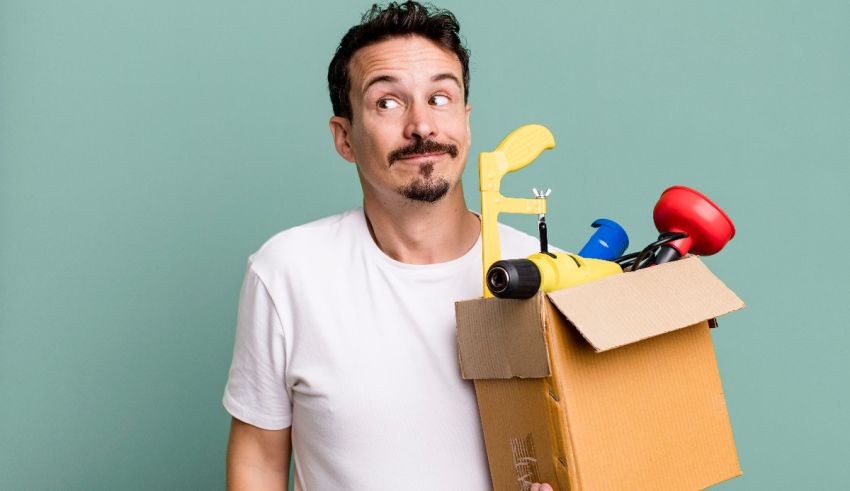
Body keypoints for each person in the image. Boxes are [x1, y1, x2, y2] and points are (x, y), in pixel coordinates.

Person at [223, 2, 554, 490]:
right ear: (345, 138)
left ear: (466, 120)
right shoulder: (287, 272)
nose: (422, 125)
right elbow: (258, 458)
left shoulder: (543, 273)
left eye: (440, 98)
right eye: (387, 102)